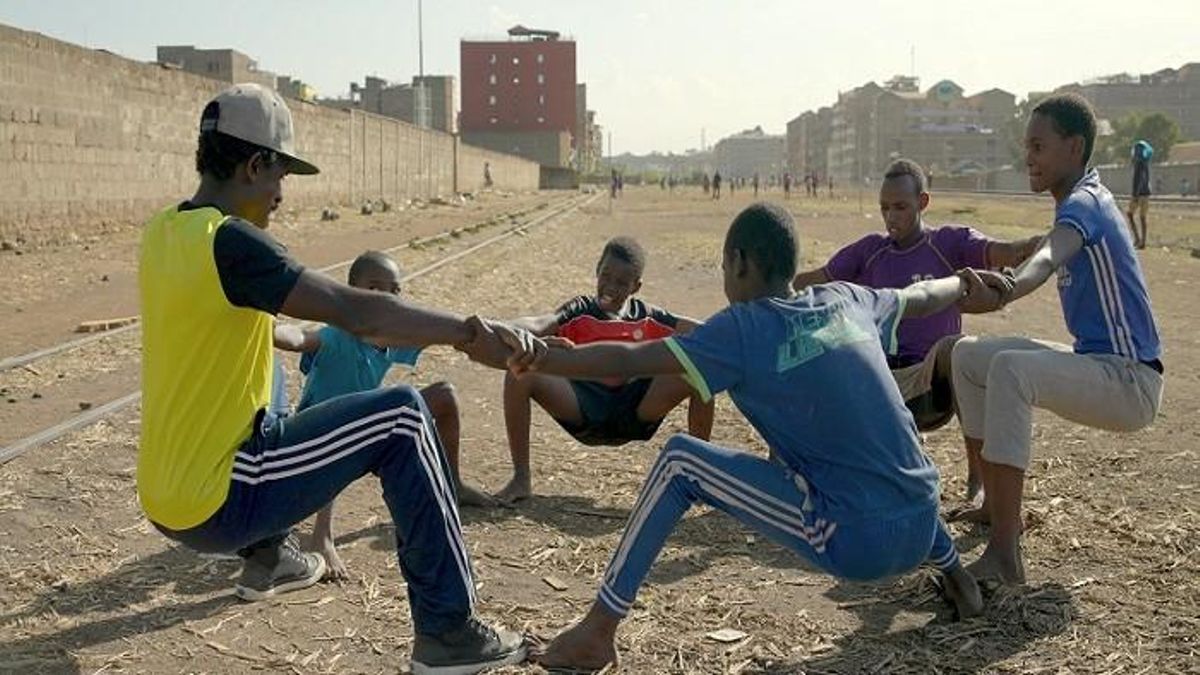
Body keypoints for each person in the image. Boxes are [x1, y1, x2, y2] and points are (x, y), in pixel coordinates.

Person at [137, 83, 534, 673]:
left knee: (258, 353)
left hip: (163, 493)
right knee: (401, 416)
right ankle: (449, 633)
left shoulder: (164, 231)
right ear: (254, 164)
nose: (280, 196)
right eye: (280, 177)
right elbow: (361, 311)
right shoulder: (234, 244)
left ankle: (275, 552)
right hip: (222, 497)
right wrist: (469, 331)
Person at [526, 202, 1001, 670]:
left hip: (859, 542)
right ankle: (959, 578)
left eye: (723, 267)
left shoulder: (741, 328)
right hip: (923, 519)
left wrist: (544, 359)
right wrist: (963, 283)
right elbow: (921, 297)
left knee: (680, 462)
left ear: (739, 263)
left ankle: (597, 631)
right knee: (875, 443)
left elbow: (629, 361)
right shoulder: (848, 299)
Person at [949, 94, 1164, 585]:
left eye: (1039, 146)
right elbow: (1045, 250)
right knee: (968, 356)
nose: (1029, 157)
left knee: (1011, 370)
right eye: (1027, 146)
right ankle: (990, 502)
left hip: (1130, 381)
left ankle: (1006, 553)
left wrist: (1003, 289)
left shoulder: (1086, 202)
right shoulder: (1076, 203)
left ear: (1074, 147)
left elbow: (1046, 259)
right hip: (1099, 365)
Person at [793, 158, 1041, 500]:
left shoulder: (951, 243)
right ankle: (795, 464)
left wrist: (1046, 244)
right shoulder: (870, 251)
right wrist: (767, 288)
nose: (891, 216)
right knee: (817, 343)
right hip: (880, 383)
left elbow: (1010, 251)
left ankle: (978, 480)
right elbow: (813, 282)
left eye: (900, 207)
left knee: (958, 348)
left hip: (934, 384)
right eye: (885, 208)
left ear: (922, 203)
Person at [271, 251, 495, 579]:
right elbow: (298, 338)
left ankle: (455, 483)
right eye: (375, 289)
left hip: (366, 423)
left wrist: (500, 336)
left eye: (394, 291)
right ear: (351, 293)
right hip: (317, 435)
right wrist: (268, 327)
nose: (386, 299)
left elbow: (445, 334)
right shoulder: (336, 335)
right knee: (339, 433)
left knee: (445, 395)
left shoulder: (393, 339)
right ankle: (322, 536)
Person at [495, 237, 714, 504]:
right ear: (597, 270)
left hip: (635, 412)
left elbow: (707, 333)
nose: (610, 287)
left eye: (622, 283)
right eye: (606, 276)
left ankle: (699, 478)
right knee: (520, 373)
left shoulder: (648, 316)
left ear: (636, 286)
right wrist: (505, 328)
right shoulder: (579, 310)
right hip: (584, 409)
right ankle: (521, 478)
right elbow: (538, 323)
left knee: (700, 376)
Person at [1126, 140, 1152, 249]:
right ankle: (1142, 241)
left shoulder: (1139, 165)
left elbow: (1140, 180)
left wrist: (1135, 195)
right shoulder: (1145, 164)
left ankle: (1138, 239)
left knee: (1130, 214)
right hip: (1146, 194)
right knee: (1142, 217)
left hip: (1139, 194)